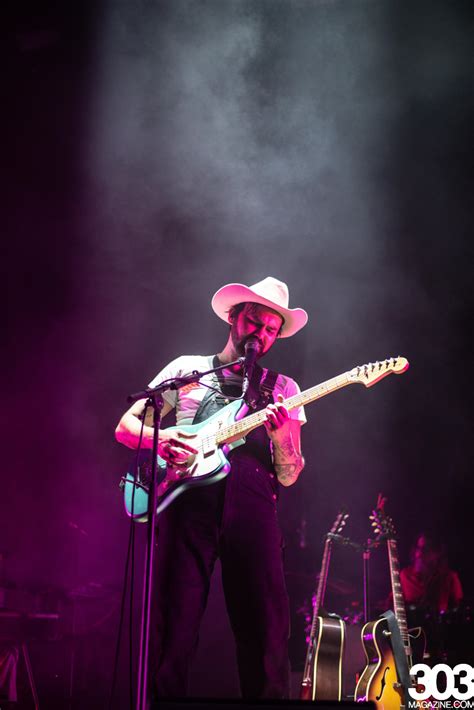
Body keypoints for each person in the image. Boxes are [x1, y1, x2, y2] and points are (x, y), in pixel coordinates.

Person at [115, 276, 308, 699]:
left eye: (271, 330)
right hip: (187, 505)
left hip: (254, 509)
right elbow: (126, 426)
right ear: (233, 318)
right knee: (173, 627)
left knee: (266, 630)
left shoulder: (284, 390)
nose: (260, 334)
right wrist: (161, 439)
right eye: (253, 323)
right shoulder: (187, 369)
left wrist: (281, 440)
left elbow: (290, 474)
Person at [400, 532, 463, 614]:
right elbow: (391, 603)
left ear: (437, 553)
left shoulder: (449, 577)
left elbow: (458, 608)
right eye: (419, 548)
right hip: (411, 625)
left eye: (426, 549)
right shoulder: (404, 576)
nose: (420, 553)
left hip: (438, 625)